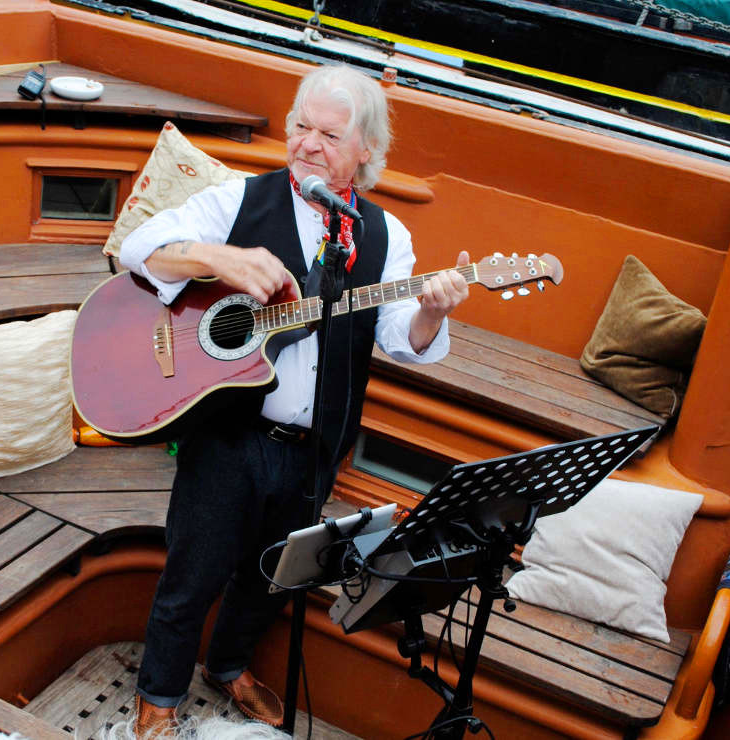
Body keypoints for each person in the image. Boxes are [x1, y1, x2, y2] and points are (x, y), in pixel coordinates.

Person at [120, 63, 469, 736]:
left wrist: (431, 310)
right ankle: (159, 696)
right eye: (300, 126)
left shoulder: (385, 236)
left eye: (328, 134)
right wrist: (212, 258)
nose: (307, 144)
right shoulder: (238, 201)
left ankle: (228, 666)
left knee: (274, 577)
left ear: (365, 149)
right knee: (193, 574)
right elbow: (137, 247)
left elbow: (401, 337)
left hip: (315, 447)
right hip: (228, 434)